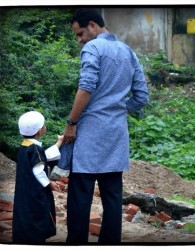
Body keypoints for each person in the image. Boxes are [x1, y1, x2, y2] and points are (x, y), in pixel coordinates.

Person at [63, 8, 149, 244]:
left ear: (92, 25)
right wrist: (120, 109)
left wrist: (71, 123)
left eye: (79, 34)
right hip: (115, 134)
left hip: (90, 133)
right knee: (112, 196)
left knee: (80, 195)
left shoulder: (93, 47)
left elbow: (87, 86)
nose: (80, 40)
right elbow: (142, 96)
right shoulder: (128, 51)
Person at [13, 111, 64, 244]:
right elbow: (38, 171)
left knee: (26, 214)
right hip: (35, 193)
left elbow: (45, 156)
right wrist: (50, 184)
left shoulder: (24, 147)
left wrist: (59, 142)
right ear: (40, 130)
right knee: (38, 214)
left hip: (24, 192)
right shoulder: (35, 148)